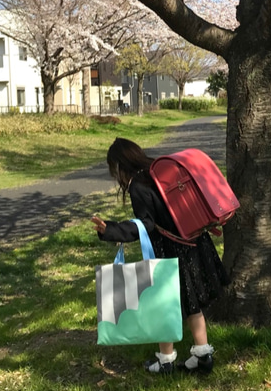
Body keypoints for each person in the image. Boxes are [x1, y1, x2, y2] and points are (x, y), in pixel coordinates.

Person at [91, 137, 229, 375]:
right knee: (192, 303)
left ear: (119, 165)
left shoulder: (138, 185)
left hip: (170, 250)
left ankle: (165, 360)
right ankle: (203, 354)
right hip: (194, 242)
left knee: (165, 303)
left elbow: (146, 225)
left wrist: (111, 229)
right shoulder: (157, 171)